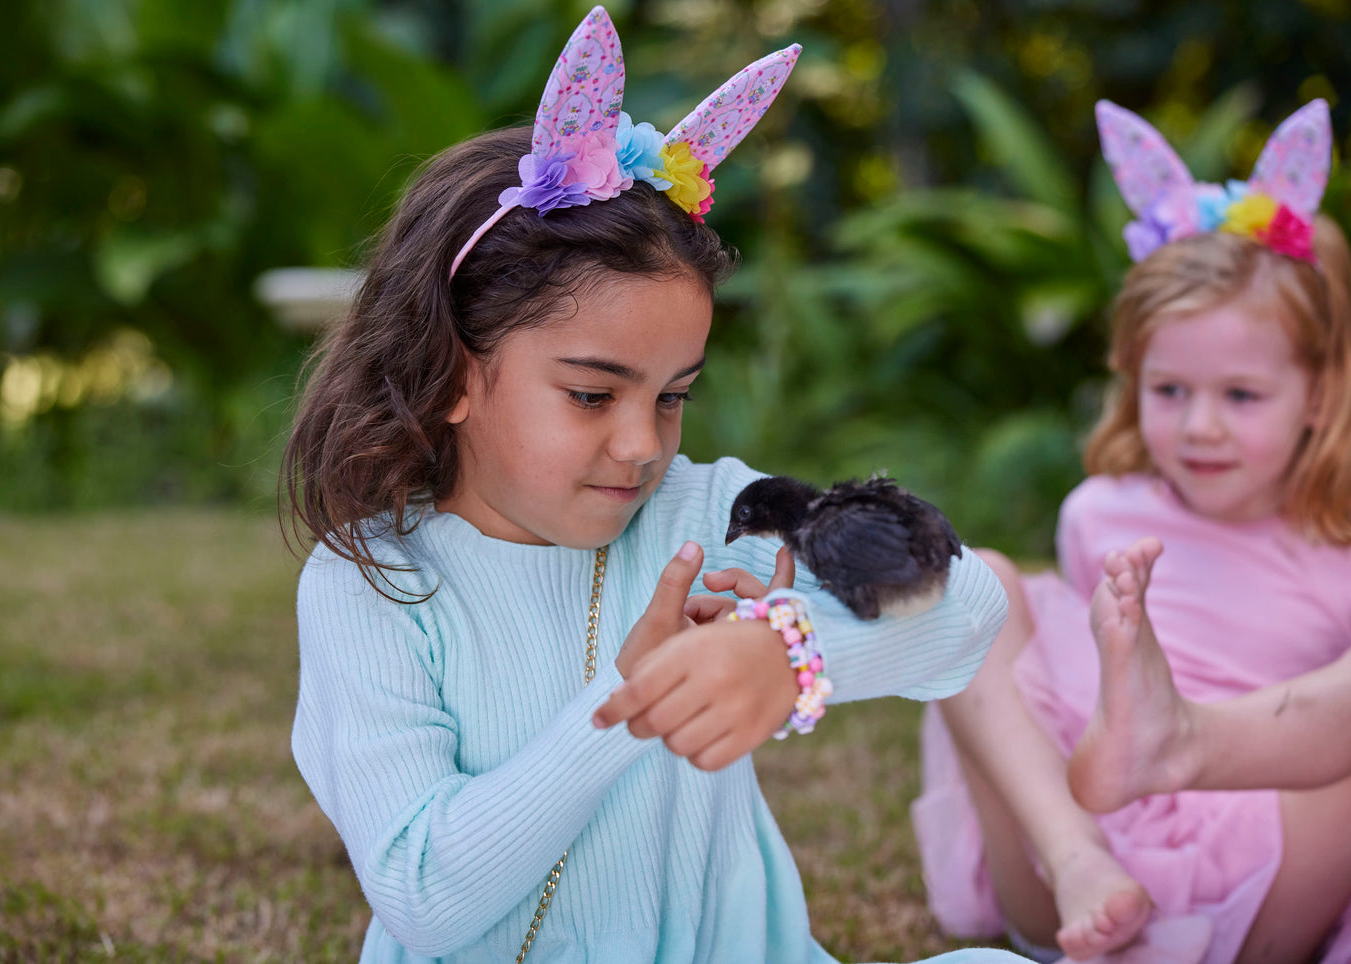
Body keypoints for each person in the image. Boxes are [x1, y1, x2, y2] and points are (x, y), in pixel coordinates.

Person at [280, 8, 1027, 963]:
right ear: (452, 371)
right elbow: (423, 892)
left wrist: (784, 652)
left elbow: (966, 603)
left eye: (673, 396)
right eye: (592, 394)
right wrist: (626, 703)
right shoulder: (372, 584)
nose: (642, 445)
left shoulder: (709, 513)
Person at [912, 98, 1351, 964]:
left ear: (1319, 397)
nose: (1198, 427)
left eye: (1240, 396)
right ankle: (1079, 860)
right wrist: (1076, 848)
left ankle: (1181, 743)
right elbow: (1057, 686)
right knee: (965, 578)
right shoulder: (1099, 514)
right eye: (1169, 390)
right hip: (1078, 841)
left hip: (1274, 866)